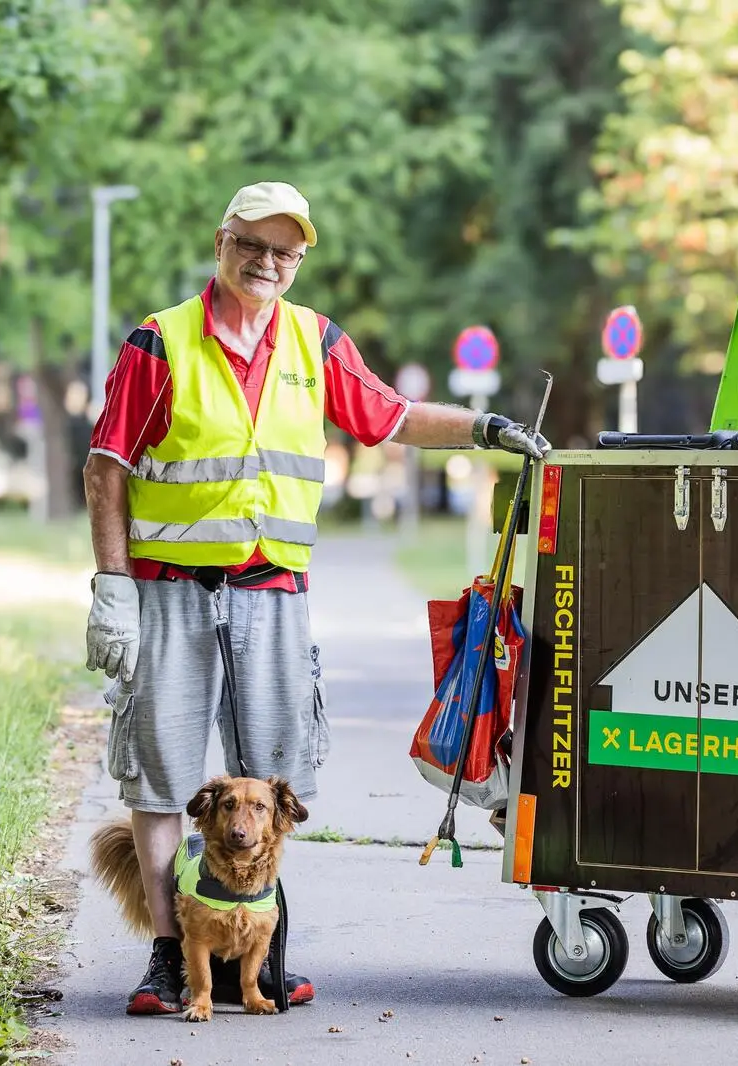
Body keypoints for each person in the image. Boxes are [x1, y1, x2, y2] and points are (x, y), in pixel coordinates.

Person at [81, 180, 548, 1016]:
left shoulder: (314, 341)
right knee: (157, 781)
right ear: (222, 242)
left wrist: (485, 429)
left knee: (278, 781)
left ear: (299, 260)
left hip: (273, 594)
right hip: (168, 592)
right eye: (252, 245)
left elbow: (392, 417)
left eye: (284, 252)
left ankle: (265, 953)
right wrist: (111, 589)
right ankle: (165, 958)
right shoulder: (159, 343)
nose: (266, 263)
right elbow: (106, 466)